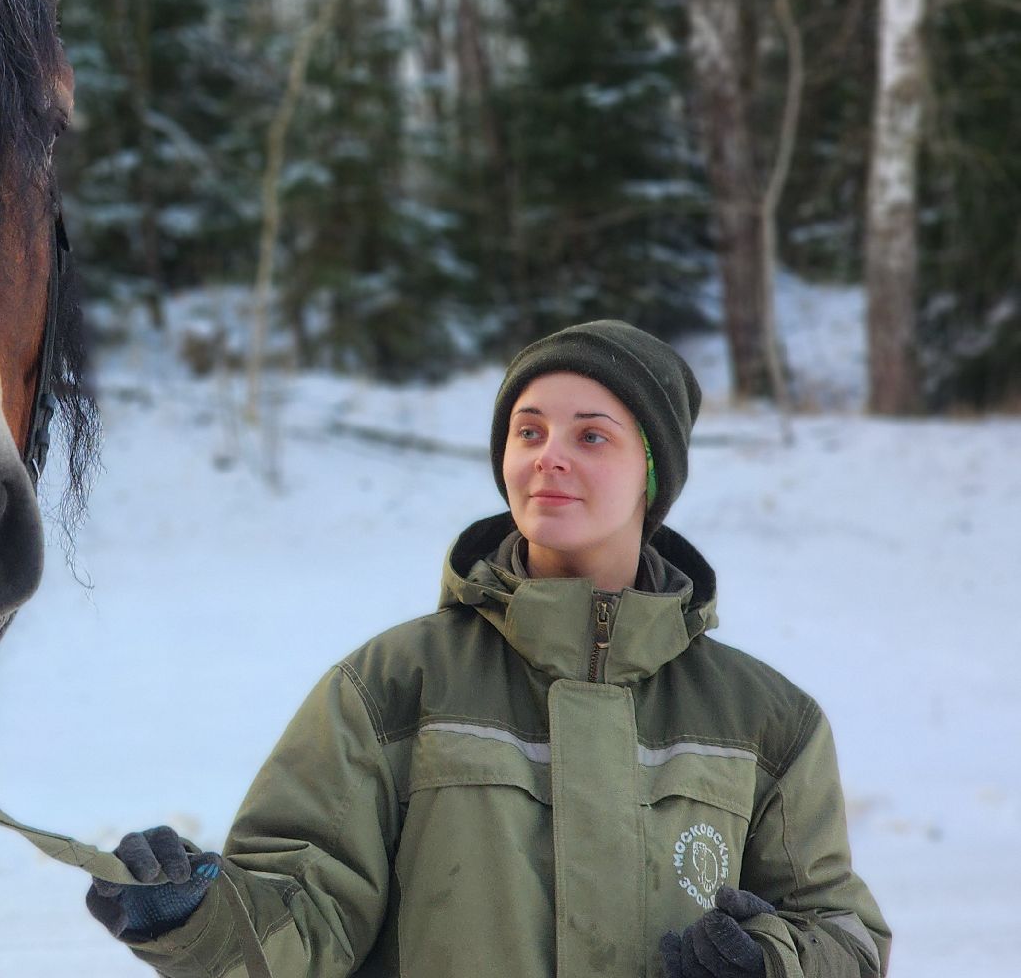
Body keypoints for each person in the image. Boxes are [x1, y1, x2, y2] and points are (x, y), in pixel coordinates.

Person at [87, 321, 889, 978]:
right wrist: (198, 915)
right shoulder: (393, 686)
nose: (550, 456)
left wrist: (773, 964)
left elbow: (847, 940)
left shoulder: (767, 721)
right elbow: (307, 918)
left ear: (653, 472)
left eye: (593, 436)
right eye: (528, 430)